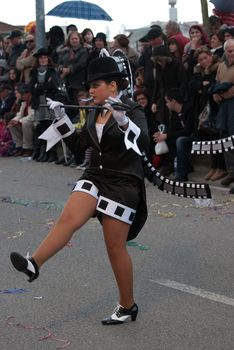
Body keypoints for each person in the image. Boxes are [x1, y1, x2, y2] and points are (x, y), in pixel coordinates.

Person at [10, 56, 149, 324]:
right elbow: (77, 146)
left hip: (122, 183)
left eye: (96, 85)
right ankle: (34, 264)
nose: (90, 91)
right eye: (89, 87)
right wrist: (61, 118)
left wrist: (123, 122)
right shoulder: (95, 110)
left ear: (112, 85)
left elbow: (143, 144)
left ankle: (127, 305)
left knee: (115, 247)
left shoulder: (132, 110)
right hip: (95, 175)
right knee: (68, 218)